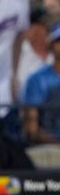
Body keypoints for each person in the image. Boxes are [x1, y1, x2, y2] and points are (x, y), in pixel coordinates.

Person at [20, 23, 60, 167]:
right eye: (59, 41)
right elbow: (32, 129)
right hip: (47, 148)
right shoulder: (37, 78)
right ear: (50, 45)